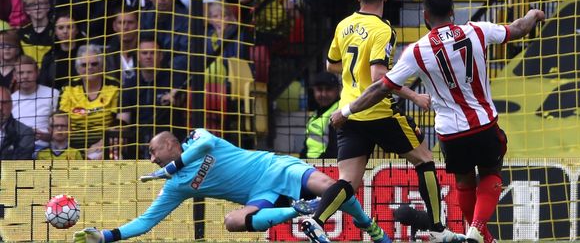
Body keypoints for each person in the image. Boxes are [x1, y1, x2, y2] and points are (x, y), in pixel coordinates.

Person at [329, 0, 546, 243]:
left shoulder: (417, 51)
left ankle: (482, 237)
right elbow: (518, 29)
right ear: (453, 12)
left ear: (426, 14)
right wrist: (534, 14)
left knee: (465, 183)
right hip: (483, 123)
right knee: (491, 173)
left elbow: (380, 87)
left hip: (450, 133)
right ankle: (477, 228)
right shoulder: (477, 30)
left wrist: (347, 110)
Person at [301, 0, 464, 243]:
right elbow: (379, 78)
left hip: (348, 112)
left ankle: (316, 221)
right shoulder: (383, 29)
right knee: (424, 161)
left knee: (349, 181)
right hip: (379, 112)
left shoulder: (344, 25)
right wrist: (413, 95)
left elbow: (331, 64)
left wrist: (354, 72)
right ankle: (437, 228)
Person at [72, 128, 393, 243]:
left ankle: (369, 226)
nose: (152, 158)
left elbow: (206, 144)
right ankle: (299, 210)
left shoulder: (197, 139)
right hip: (262, 195)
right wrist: (105, 236)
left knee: (332, 185)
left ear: (171, 144)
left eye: (154, 151)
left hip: (275, 167)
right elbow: (146, 221)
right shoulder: (176, 186)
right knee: (232, 221)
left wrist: (173, 165)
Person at [58, 43, 128, 159]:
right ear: (78, 69)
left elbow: (120, 124)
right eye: (84, 65)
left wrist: (101, 144)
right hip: (73, 143)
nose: (89, 68)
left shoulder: (114, 87)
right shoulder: (68, 88)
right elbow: (62, 120)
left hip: (105, 143)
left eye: (94, 64)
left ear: (102, 67)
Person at [11, 54, 59, 152]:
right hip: (17, 149)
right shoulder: (10, 100)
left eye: (29, 72)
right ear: (15, 76)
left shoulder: (53, 94)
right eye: (21, 73)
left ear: (37, 73)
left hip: (45, 149)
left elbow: (61, 127)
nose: (25, 76)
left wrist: (47, 136)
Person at [300, 71, 340, 159]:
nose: (323, 94)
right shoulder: (314, 115)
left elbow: (335, 150)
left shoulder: (339, 113)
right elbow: (307, 145)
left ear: (337, 91)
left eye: (328, 89)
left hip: (326, 165)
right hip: (312, 164)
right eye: (319, 89)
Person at [18, 0, 54, 64]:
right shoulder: (21, 34)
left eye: (41, 3)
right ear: (27, 10)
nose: (37, 8)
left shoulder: (56, 30)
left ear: (48, 7)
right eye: (33, 5)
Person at [0, 86, 35, 159]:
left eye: (4, 103)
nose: (0, 107)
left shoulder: (25, 132)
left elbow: (18, 165)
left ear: (11, 105)